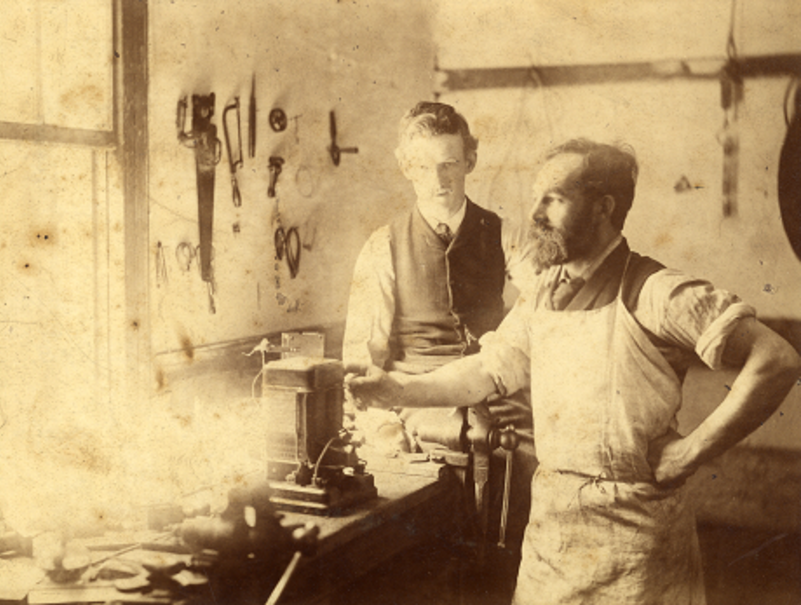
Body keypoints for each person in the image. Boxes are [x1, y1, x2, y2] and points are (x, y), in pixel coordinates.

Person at [346, 138, 801, 604]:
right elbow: (486, 371)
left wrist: (690, 454)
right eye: (536, 197)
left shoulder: (653, 291)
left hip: (635, 542)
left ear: (603, 207)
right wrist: (397, 389)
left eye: (554, 199)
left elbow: (777, 359)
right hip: (553, 535)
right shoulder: (543, 293)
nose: (536, 214)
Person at [342, 101, 536, 597]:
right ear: (405, 167)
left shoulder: (506, 234)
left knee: (521, 520)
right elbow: (362, 361)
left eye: (450, 163)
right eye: (424, 166)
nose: (439, 178)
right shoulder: (382, 245)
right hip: (415, 407)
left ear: (471, 160)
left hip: (497, 396)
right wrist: (384, 427)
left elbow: (547, 303)